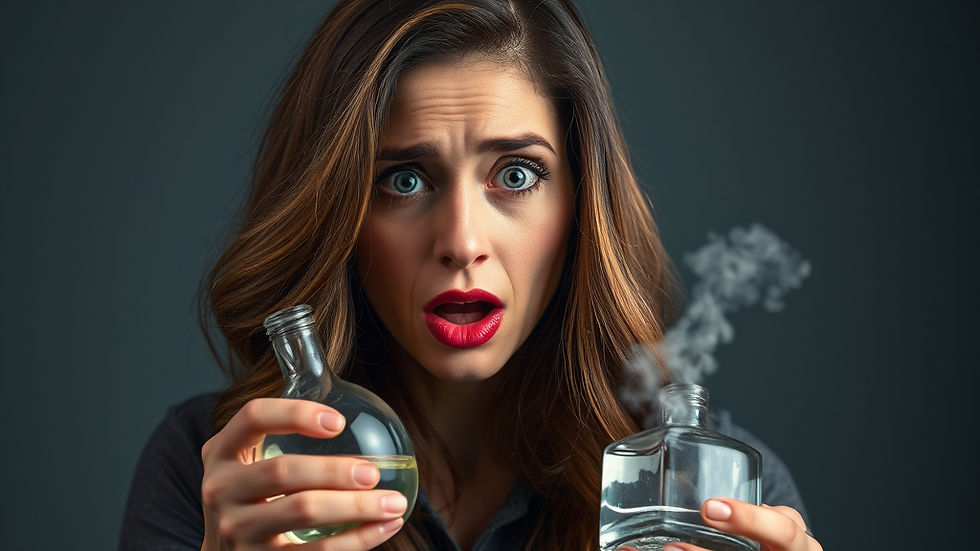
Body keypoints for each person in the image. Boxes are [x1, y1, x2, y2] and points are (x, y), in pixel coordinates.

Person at [119, 1, 822, 550]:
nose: (461, 242)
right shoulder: (220, 477)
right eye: (403, 178)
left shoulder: (708, 500)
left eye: (515, 175)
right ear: (341, 213)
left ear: (580, 206)